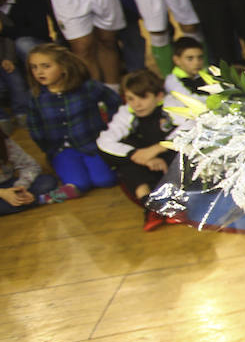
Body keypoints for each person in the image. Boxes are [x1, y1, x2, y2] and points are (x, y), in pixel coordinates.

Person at [24, 43, 122, 192]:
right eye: (34, 67)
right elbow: (34, 126)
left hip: (92, 144)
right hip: (61, 149)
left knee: (105, 180)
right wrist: (48, 148)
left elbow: (115, 102)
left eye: (46, 66)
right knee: (79, 184)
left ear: (64, 67)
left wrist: (110, 128)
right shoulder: (36, 96)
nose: (39, 72)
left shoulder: (87, 87)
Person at [96, 69, 183, 226]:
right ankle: (150, 204)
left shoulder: (171, 104)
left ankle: (175, 199)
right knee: (124, 161)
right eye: (130, 98)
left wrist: (158, 148)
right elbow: (105, 141)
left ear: (159, 96)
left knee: (185, 153)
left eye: (142, 97)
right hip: (146, 162)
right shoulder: (127, 113)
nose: (136, 104)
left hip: (169, 157)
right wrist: (137, 155)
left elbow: (191, 127)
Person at [1, 123, 78, 214]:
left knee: (47, 181)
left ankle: (28, 199)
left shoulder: (5, 142)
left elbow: (30, 165)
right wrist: (3, 193)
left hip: (10, 184)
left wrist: (21, 187)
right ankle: (43, 198)